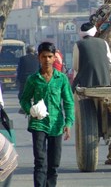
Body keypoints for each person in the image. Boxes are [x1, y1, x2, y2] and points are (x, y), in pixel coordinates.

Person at [19, 42, 75, 187]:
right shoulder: (33, 79)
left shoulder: (61, 79)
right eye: (44, 57)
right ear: (39, 57)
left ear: (55, 58)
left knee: (54, 163)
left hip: (56, 124)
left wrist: (68, 123)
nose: (47, 60)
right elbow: (24, 99)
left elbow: (68, 102)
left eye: (50, 56)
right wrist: (30, 110)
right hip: (38, 123)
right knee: (40, 161)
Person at [72, 22, 111, 90]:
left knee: (72, 93)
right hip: (105, 83)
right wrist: (107, 76)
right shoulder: (104, 42)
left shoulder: (78, 44)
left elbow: (76, 67)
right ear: (94, 31)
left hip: (86, 83)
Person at [16, 45, 40, 114]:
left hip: (25, 80)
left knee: (21, 94)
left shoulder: (22, 59)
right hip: (36, 80)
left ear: (26, 51)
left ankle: (23, 107)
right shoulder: (38, 59)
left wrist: (18, 79)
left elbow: (19, 70)